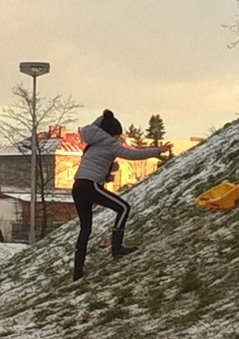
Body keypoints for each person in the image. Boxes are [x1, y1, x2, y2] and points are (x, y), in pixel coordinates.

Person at [71, 109, 172, 281]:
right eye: (118, 135)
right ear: (112, 134)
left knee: (85, 229)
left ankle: (77, 271)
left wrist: (106, 175)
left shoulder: (92, 141)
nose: (119, 139)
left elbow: (96, 154)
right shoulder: (109, 143)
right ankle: (117, 249)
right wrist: (157, 150)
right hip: (90, 185)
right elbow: (132, 154)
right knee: (123, 208)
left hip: (78, 186)